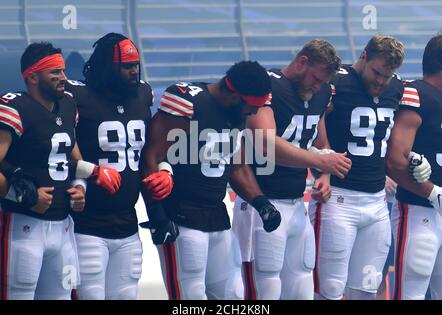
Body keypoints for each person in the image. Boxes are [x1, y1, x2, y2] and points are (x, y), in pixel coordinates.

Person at [140, 61, 282, 300]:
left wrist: (261, 202)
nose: (255, 113)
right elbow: (151, 156)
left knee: (232, 296)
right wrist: (157, 215)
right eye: (253, 106)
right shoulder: (189, 101)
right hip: (181, 218)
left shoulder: (236, 112)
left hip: (217, 216)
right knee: (191, 299)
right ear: (235, 95)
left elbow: (236, 165)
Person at [231, 39, 351, 300]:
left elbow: (321, 144)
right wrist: (319, 162)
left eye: (322, 82)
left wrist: (326, 176)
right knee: (265, 289)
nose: (317, 85)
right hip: (260, 204)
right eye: (315, 78)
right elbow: (265, 145)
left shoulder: (321, 93)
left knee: (301, 285)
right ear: (302, 62)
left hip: (297, 205)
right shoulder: (269, 86)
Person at [0, 42, 120, 300]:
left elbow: (72, 159)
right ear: (32, 77)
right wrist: (22, 195)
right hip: (23, 226)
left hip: (63, 227)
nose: (63, 78)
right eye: (54, 72)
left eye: (63, 71)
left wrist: (82, 186)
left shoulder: (67, 105)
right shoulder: (14, 108)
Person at [310, 34, 405, 300]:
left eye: (386, 76)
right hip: (338, 200)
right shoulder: (336, 81)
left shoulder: (396, 86)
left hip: (376, 203)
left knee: (366, 289)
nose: (380, 81)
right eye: (376, 72)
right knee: (328, 289)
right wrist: (324, 170)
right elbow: (315, 121)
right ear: (364, 56)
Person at [65, 33, 159, 300]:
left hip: (128, 224)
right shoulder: (76, 97)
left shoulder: (143, 94)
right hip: (87, 226)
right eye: (126, 66)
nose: (134, 72)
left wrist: (164, 170)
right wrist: (87, 173)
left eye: (136, 65)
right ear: (108, 67)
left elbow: (152, 147)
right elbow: (57, 148)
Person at [386, 34, 442, 300]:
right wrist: (433, 192)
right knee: (410, 293)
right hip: (420, 210)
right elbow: (396, 159)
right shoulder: (417, 93)